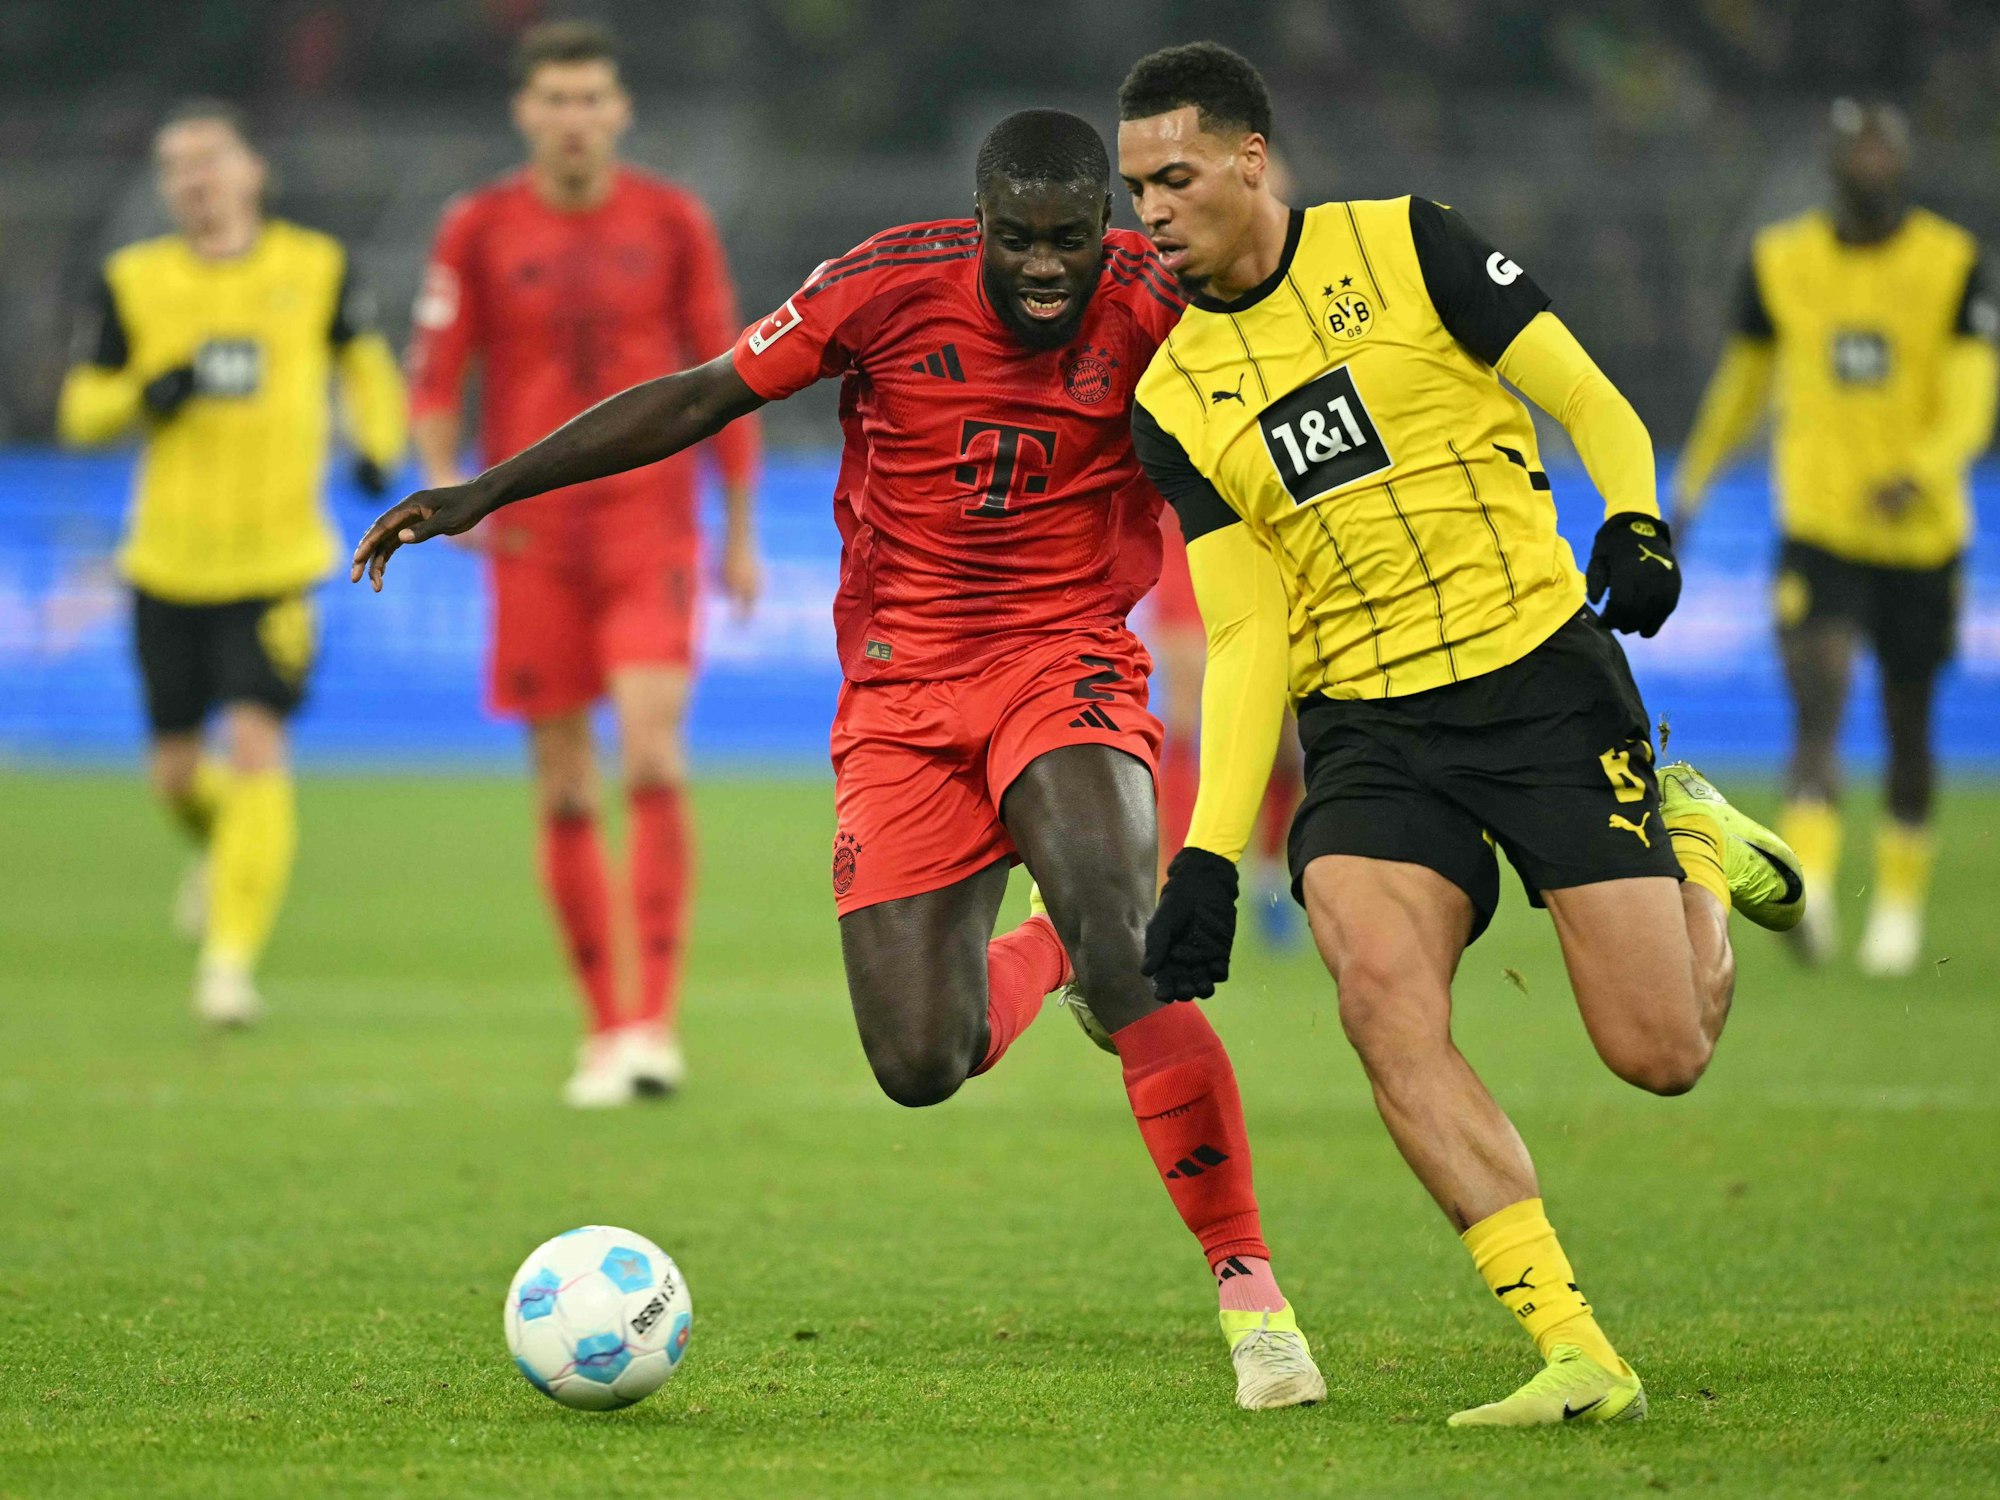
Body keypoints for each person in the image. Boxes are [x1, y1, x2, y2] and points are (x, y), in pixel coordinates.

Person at [356, 109, 1324, 1412]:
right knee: (922, 1061)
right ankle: (1050, 958)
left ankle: (1247, 1286)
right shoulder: (879, 287)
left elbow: (1304, 391)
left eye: (1071, 243)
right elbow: (703, 393)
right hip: (903, 691)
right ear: (980, 224)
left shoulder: (1162, 305)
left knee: (1127, 927)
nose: (1046, 269)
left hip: (1069, 657)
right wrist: (490, 487)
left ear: (1105, 227)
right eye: (1018, 241)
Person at [1118, 42, 1806, 1427]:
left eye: (1174, 179)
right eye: (1135, 190)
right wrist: (1200, 858)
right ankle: (1575, 1349)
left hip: (1539, 682)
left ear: (1251, 159)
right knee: (1378, 994)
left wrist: (1635, 517)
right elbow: (1248, 636)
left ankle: (1692, 845)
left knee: (1660, 1053)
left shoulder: (1413, 246)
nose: (1151, 214)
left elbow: (1596, 401)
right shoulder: (1171, 398)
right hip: (1369, 727)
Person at [404, 21, 763, 1105]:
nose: (573, 117)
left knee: (651, 755)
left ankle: (655, 1022)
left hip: (649, 523)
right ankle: (603, 1028)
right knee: (564, 781)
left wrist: (739, 526)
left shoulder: (671, 221)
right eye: (553, 99)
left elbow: (730, 372)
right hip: (531, 536)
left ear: (618, 111)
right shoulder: (475, 226)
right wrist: (444, 489)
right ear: (526, 113)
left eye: (589, 98)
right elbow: (436, 374)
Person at [57, 99, 406, 1026]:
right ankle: (224, 857)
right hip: (167, 562)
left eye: (210, 160)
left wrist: (377, 443)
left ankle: (228, 966)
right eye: (177, 166)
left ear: (255, 170)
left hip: (277, 562)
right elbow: (80, 412)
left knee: (256, 744)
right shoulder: (135, 281)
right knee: (177, 777)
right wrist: (145, 392)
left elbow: (368, 367)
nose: (194, 180)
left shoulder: (315, 268)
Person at [1673, 100, 1998, 976]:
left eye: (1880, 150)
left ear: (1903, 163)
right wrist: (1694, 481)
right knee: (1816, 701)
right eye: (1854, 151)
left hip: (1921, 534)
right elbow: (1744, 381)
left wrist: (1923, 470)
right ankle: (1807, 889)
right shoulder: (1782, 263)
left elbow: (1974, 391)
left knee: (1909, 722)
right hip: (1819, 525)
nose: (1868, 165)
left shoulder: (1952, 264)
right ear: (1832, 166)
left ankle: (1897, 908)